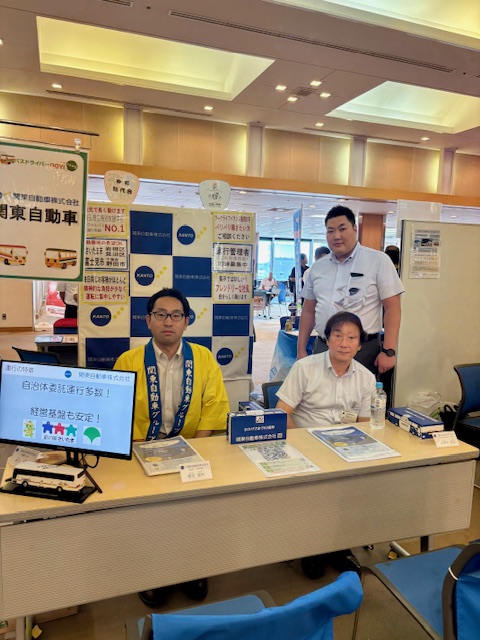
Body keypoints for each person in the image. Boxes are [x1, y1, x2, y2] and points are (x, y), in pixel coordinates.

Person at [114, 287, 230, 605]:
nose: (169, 321)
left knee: (195, 512)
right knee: (148, 515)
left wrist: (194, 452)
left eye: (176, 315)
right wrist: (147, 453)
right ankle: (153, 573)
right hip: (142, 451)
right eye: (161, 315)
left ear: (186, 321)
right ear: (148, 320)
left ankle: (194, 568)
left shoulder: (203, 358)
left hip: (192, 447)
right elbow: (120, 412)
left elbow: (214, 407)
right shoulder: (128, 360)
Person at [298, 206, 404, 375]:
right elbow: (309, 310)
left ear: (355, 229)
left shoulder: (378, 261)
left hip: (364, 351)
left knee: (361, 392)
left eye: (342, 229)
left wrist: (389, 351)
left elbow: (392, 308)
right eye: (330, 231)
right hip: (323, 347)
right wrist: (301, 349)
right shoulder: (318, 267)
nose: (336, 236)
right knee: (317, 391)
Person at [277, 312, 376, 429]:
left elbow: (365, 425)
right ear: (327, 340)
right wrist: (301, 439)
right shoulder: (304, 368)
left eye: (351, 338)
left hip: (347, 438)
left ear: (359, 345)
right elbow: (281, 413)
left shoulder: (367, 378)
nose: (344, 344)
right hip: (306, 436)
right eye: (338, 336)